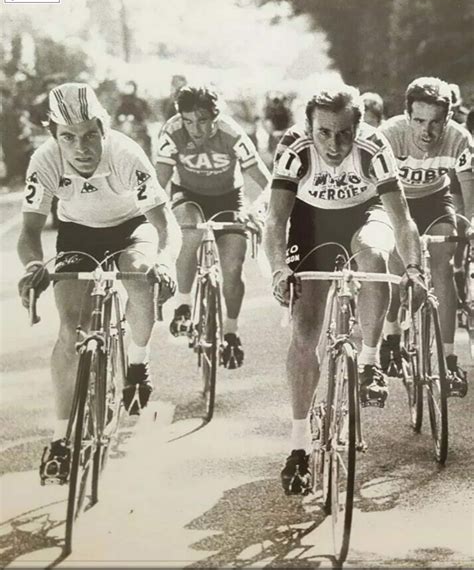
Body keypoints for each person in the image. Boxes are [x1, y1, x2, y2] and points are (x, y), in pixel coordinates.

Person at [17, 83, 181, 484]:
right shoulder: (44, 159)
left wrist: (166, 261)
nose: (81, 147)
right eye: (68, 137)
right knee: (71, 330)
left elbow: (164, 224)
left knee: (141, 276)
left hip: (131, 228)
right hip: (77, 234)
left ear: (103, 129)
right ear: (54, 136)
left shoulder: (125, 153)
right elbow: (29, 231)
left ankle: (137, 365)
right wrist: (33, 265)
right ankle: (59, 441)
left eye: (90, 134)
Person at [263, 83, 423, 495]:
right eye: (325, 133)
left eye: (345, 133)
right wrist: (280, 269)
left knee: (373, 257)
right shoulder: (294, 148)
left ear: (359, 126)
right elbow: (276, 221)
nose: (335, 145)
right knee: (305, 332)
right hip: (310, 221)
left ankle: (369, 361)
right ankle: (298, 446)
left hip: (363, 215)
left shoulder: (374, 147)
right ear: (309, 128)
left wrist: (415, 269)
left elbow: (402, 219)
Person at [155, 85, 271, 368]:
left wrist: (257, 210)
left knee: (232, 265)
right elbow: (157, 185)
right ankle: (183, 305)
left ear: (216, 118)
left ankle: (231, 331)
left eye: (203, 120)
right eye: (188, 120)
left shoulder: (232, 134)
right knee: (189, 230)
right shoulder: (171, 133)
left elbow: (268, 183)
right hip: (188, 196)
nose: (195, 129)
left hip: (229, 197)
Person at [379, 77, 473, 396]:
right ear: (407, 115)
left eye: (435, 122)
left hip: (435, 200)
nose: (426, 132)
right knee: (394, 262)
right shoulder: (388, 137)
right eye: (418, 120)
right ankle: (391, 334)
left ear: (448, 118)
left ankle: (448, 360)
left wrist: (469, 227)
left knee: (442, 269)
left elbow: (468, 200)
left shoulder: (460, 139)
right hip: (395, 201)